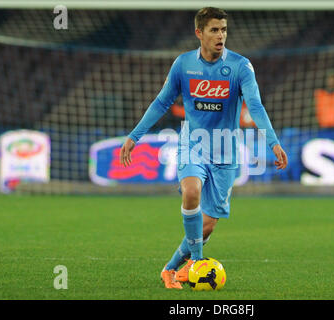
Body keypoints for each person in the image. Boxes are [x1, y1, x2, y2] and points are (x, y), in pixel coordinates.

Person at [120, 7, 288, 289]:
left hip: (226, 151)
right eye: (214, 30)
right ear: (199, 33)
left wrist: (272, 141)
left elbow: (255, 105)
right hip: (193, 144)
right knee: (191, 191)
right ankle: (197, 262)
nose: (220, 35)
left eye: (223, 29)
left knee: (207, 225)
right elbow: (162, 102)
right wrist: (134, 136)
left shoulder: (240, 66)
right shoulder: (184, 64)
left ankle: (170, 269)